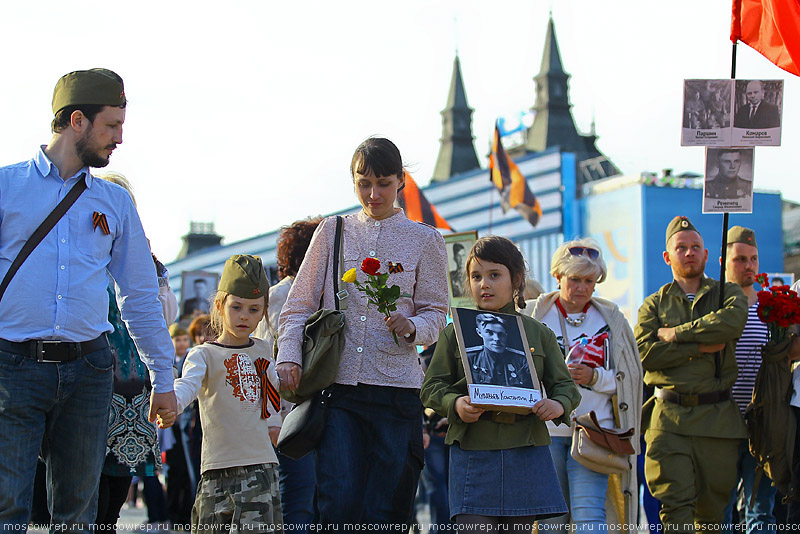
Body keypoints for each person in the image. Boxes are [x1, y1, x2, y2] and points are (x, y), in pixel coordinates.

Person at [0, 68, 177, 532]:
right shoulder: (5, 187)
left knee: (80, 515)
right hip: (11, 367)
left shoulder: (116, 203)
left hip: (89, 371)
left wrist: (163, 377)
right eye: (112, 125)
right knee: (7, 508)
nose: (119, 138)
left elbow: (139, 296)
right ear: (77, 121)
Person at [276, 137, 449, 529]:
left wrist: (415, 326)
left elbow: (438, 311)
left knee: (389, 509)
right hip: (339, 390)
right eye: (363, 183)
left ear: (401, 181)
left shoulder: (427, 239)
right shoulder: (332, 231)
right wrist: (288, 354)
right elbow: (298, 305)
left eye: (383, 183)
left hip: (397, 391)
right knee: (338, 504)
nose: (373, 194)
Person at [421, 235, 580, 530]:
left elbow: (566, 387)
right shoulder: (453, 333)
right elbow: (431, 387)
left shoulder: (538, 333)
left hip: (525, 450)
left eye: (495, 275)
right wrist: (454, 403)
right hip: (473, 452)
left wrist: (557, 405)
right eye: (476, 276)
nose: (485, 284)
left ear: (516, 279)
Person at [636, 216, 748, 531]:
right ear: (667, 256)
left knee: (712, 516)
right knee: (675, 510)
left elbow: (731, 324)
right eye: (681, 248)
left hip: (717, 421)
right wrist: (700, 347)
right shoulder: (653, 305)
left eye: (695, 247)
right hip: (669, 420)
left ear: (706, 254)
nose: (689, 253)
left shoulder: (728, 293)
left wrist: (676, 334)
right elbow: (646, 354)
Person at [529, 238, 642, 529]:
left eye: (589, 281)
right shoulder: (533, 315)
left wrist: (595, 377)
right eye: (575, 279)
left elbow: (630, 380)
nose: (582, 288)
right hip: (546, 432)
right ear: (557, 277)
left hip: (594, 430)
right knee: (550, 521)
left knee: (590, 518)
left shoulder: (612, 318)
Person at [94, 172, 179, 533]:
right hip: (93, 384)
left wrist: (153, 270)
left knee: (117, 491)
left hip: (136, 391)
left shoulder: (145, 257)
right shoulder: (83, 256)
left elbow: (167, 316)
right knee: (85, 486)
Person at [174, 254, 283, 532]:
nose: (245, 316)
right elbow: (188, 384)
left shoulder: (263, 350)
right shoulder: (203, 354)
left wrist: (275, 426)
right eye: (237, 307)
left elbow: (272, 401)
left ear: (264, 311)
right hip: (216, 469)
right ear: (220, 305)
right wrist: (172, 401)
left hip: (261, 467)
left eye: (254, 309)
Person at [254, 217, 321, 534]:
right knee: (297, 504)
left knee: (313, 503)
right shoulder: (283, 294)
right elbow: (267, 358)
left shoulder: (323, 293)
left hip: (314, 414)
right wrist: (273, 418)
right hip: (288, 415)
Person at [721, 226, 780, 532]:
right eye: (740, 259)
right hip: (722, 425)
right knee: (720, 510)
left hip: (763, 426)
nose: (749, 266)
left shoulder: (773, 309)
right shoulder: (714, 308)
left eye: (754, 259)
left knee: (760, 513)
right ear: (723, 262)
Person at [466, 313, 533, 388]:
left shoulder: (521, 360)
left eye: (501, 334)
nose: (497, 339)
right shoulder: (470, 358)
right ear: (479, 332)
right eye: (490, 333)